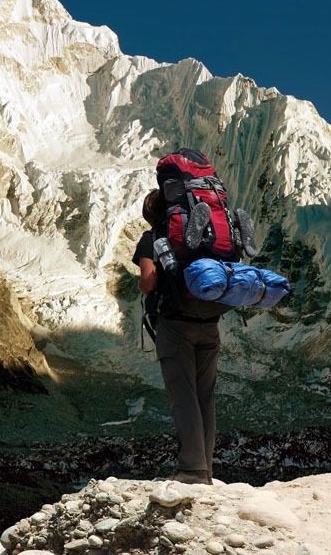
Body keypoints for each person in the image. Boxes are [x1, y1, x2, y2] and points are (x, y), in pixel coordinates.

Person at [132, 189, 220, 486]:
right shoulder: (200, 237)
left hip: (174, 324)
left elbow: (147, 281)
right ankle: (205, 469)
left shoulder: (151, 238)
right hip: (209, 321)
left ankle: (192, 471)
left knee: (183, 396)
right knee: (204, 396)